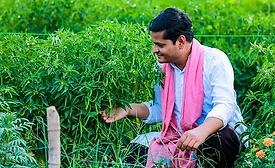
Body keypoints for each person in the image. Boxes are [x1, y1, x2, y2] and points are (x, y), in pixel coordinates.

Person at [101, 7, 246, 168]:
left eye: (160, 45)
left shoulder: (214, 60)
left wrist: (201, 131)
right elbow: (161, 109)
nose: (154, 50)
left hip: (216, 136)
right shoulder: (161, 67)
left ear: (181, 41)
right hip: (179, 137)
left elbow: (225, 106)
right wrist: (127, 109)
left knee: (216, 141)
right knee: (135, 152)